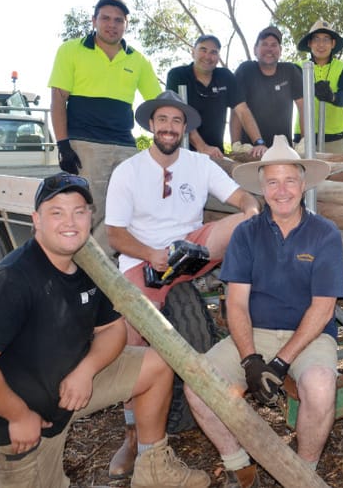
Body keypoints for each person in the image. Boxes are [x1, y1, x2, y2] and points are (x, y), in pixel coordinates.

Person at [0, 172, 210, 488]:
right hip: (25, 419)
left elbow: (113, 329)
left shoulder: (85, 263)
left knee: (157, 364)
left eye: (79, 211)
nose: (69, 221)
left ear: (90, 216)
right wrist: (18, 416)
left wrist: (87, 370)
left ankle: (153, 468)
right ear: (36, 220)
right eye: (56, 212)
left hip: (71, 385)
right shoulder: (12, 280)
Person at [103, 90, 261, 477]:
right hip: (145, 259)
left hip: (191, 254)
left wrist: (252, 207)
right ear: (151, 126)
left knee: (247, 223)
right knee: (132, 338)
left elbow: (239, 196)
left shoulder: (199, 164)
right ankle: (132, 436)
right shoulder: (129, 170)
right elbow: (115, 235)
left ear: (185, 127)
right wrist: (151, 254)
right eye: (163, 121)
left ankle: (236, 294)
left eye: (176, 121)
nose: (169, 128)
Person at [184, 137, 343, 487]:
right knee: (198, 387)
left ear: (303, 185)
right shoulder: (245, 233)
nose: (281, 189)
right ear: (262, 188)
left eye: (289, 180)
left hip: (309, 336)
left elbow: (323, 308)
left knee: (319, 388)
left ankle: (302, 473)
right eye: (272, 181)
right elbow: (236, 303)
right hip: (254, 332)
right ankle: (240, 467)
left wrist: (282, 361)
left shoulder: (325, 234)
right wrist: (250, 359)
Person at [48, 0, 162, 254]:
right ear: (94, 21)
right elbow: (57, 98)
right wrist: (63, 145)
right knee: (90, 209)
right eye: (106, 18)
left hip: (124, 146)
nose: (112, 25)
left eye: (118, 20)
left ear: (126, 25)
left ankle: (101, 267)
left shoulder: (137, 60)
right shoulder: (71, 50)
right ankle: (82, 272)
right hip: (86, 145)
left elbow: (158, 104)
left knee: (127, 209)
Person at [166, 34, 267, 159]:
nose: (208, 56)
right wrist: (202, 147)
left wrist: (259, 142)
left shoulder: (224, 76)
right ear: (193, 52)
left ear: (218, 57)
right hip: (181, 153)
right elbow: (178, 116)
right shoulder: (177, 75)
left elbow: (242, 110)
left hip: (216, 154)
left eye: (213, 52)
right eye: (203, 50)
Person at [230, 26, 304, 148]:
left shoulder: (290, 70)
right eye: (264, 44)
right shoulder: (245, 70)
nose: (269, 49)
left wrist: (305, 141)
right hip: (250, 150)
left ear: (280, 50)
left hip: (283, 149)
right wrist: (236, 145)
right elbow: (238, 109)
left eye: (274, 45)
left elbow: (303, 107)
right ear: (255, 49)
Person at [292, 18, 343, 154]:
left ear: (333, 43)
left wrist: (332, 97)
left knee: (336, 175)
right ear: (309, 43)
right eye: (316, 39)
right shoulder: (297, 67)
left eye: (326, 39)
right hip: (303, 138)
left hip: (334, 139)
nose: (321, 44)